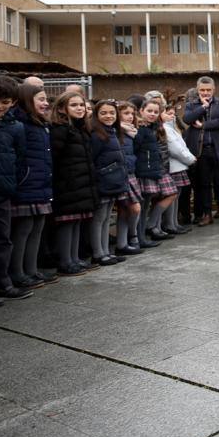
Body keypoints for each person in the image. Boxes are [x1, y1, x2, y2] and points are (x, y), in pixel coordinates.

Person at [0, 74, 29, 305]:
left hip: (2, 193)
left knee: (2, 240)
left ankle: (2, 284)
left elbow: (21, 160)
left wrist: (11, 184)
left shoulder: (17, 127)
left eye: (5, 102)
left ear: (13, 103)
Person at [8, 83, 55, 290]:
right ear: (28, 100)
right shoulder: (20, 124)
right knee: (23, 230)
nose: (45, 104)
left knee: (37, 228)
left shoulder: (40, 124)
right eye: (41, 99)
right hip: (26, 185)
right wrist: (22, 179)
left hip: (41, 184)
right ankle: (17, 273)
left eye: (46, 100)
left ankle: (31, 269)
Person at [49, 91, 98, 277]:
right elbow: (55, 158)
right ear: (62, 108)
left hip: (80, 184)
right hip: (67, 185)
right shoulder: (60, 129)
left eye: (81, 105)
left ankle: (74, 258)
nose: (79, 109)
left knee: (76, 222)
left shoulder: (80, 129)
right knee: (67, 224)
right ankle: (65, 262)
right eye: (74, 105)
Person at [184, 76, 219, 226]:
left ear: (214, 90)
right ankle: (207, 214)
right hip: (201, 151)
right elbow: (187, 119)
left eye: (208, 90)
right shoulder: (192, 105)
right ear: (197, 90)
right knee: (204, 184)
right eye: (202, 90)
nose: (205, 92)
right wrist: (203, 107)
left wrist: (203, 125)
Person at [88, 100, 129, 266]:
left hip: (114, 181)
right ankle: (98, 253)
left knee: (106, 218)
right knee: (99, 219)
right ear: (96, 116)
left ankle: (106, 252)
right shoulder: (96, 135)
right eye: (103, 113)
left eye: (112, 113)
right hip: (102, 182)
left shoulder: (113, 132)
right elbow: (93, 160)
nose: (108, 116)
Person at [135, 98, 178, 243]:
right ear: (141, 111)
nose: (152, 114)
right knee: (141, 206)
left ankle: (148, 228)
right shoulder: (140, 129)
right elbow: (136, 150)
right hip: (143, 172)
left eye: (155, 112)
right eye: (149, 111)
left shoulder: (155, 128)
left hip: (155, 169)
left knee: (148, 204)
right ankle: (140, 237)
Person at [114, 101, 144, 254]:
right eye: (126, 113)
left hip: (131, 172)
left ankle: (124, 243)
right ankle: (130, 239)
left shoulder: (131, 131)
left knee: (128, 210)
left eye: (132, 114)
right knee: (132, 208)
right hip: (122, 173)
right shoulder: (117, 131)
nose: (130, 117)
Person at [162, 101, 196, 235]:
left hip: (179, 166)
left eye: (173, 114)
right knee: (173, 196)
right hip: (174, 166)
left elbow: (182, 146)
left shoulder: (173, 128)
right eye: (168, 113)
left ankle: (174, 223)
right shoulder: (165, 129)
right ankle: (170, 224)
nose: (172, 116)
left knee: (176, 196)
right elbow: (175, 149)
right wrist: (190, 159)